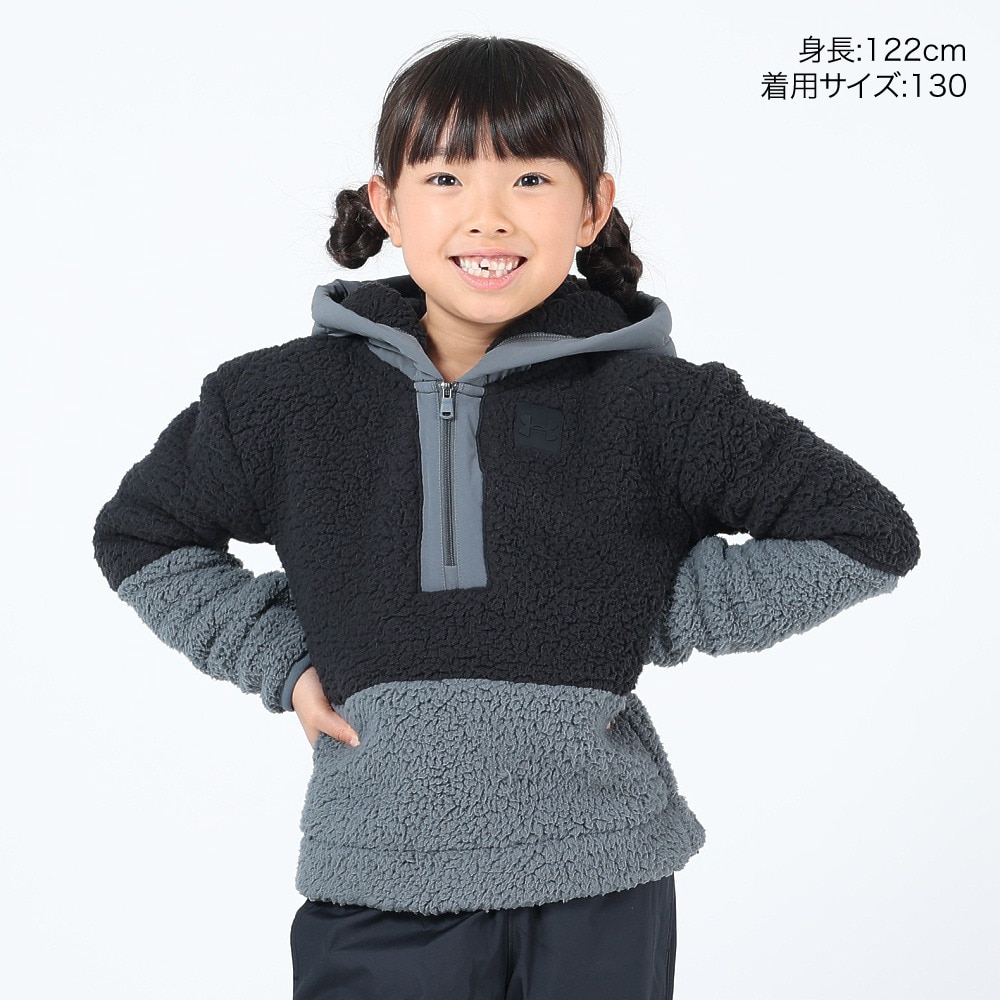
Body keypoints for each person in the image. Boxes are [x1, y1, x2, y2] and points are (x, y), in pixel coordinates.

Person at [92, 34, 920, 1000]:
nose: (487, 215)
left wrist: (648, 608)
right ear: (387, 205)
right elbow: (143, 535)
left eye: (530, 178)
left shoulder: (665, 404)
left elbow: (865, 532)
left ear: (592, 207)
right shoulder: (277, 401)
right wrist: (286, 661)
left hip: (602, 872)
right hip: (378, 872)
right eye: (445, 177)